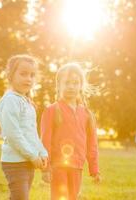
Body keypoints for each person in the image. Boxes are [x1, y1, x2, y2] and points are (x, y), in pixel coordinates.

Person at [41, 62, 101, 200]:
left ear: (81, 85)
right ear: (59, 85)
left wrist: (94, 168)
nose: (71, 87)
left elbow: (92, 144)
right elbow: (45, 141)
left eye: (75, 83)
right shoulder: (51, 110)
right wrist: (45, 168)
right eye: (67, 83)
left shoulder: (87, 113)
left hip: (77, 166)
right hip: (58, 166)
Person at [0, 54, 48, 200]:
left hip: (27, 161)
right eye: (23, 74)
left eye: (32, 75)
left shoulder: (27, 102)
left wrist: (42, 152)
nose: (28, 79)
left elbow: (32, 134)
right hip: (15, 162)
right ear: (10, 76)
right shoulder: (10, 101)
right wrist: (32, 154)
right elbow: (13, 135)